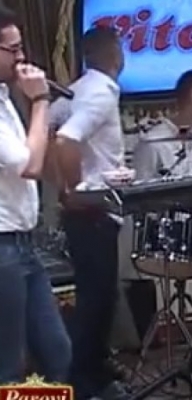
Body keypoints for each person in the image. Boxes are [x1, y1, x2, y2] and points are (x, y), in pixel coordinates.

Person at [51, 26, 128, 399]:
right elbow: (66, 139)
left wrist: (62, 188)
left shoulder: (77, 89)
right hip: (93, 212)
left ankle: (95, 373)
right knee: (97, 302)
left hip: (89, 215)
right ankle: (84, 384)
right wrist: (75, 189)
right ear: (115, 54)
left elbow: (47, 128)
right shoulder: (101, 92)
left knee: (98, 297)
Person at [0, 5, 71, 384]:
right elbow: (28, 165)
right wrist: (41, 102)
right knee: (8, 368)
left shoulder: (4, 97)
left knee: (56, 353)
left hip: (23, 246)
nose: (22, 57)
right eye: (12, 50)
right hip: (2, 249)